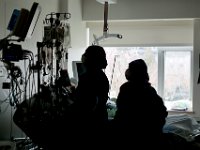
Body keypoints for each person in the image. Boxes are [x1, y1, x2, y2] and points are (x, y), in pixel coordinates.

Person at [113, 59, 168, 149]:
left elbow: (121, 111)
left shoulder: (126, 89)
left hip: (129, 135)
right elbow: (162, 112)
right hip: (149, 137)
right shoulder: (150, 90)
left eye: (129, 68)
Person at [72, 45, 110, 148]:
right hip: (99, 121)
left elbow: (87, 103)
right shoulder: (101, 76)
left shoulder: (89, 77)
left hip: (90, 125)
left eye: (86, 54)